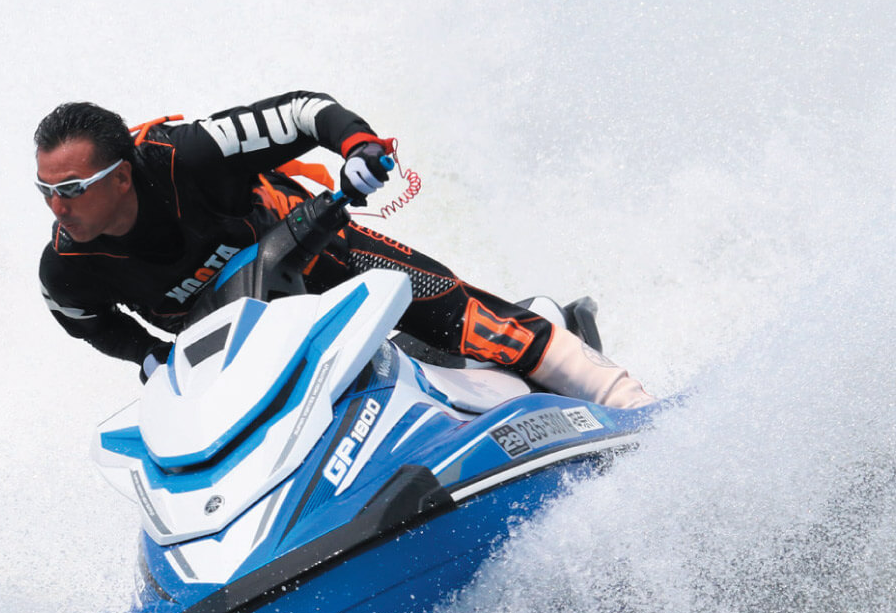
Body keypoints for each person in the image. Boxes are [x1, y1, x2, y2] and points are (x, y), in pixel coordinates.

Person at [34, 91, 655, 408]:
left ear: (121, 177)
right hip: (241, 347)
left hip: (323, 255)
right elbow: (90, 325)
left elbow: (305, 112)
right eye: (46, 191)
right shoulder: (67, 270)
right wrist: (146, 354)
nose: (57, 208)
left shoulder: (191, 154)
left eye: (71, 190)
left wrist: (358, 146)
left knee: (467, 318)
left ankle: (632, 405)